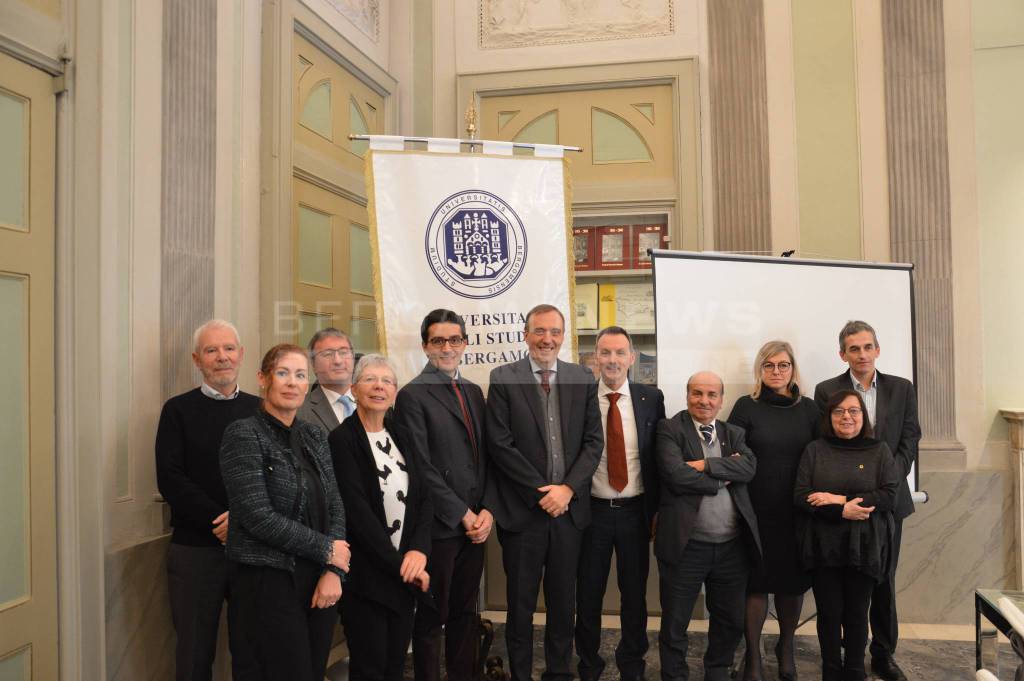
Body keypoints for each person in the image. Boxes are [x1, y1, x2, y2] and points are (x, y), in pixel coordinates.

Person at [486, 303, 604, 681]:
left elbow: (593, 442)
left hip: (568, 516)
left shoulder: (582, 378)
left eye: (555, 331)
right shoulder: (503, 377)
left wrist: (567, 489)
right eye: (539, 331)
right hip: (523, 516)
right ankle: (520, 674)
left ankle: (559, 674)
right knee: (520, 608)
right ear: (525, 334)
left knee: (561, 604)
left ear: (563, 335)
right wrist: (543, 493)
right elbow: (500, 445)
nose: (547, 339)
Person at [219, 343, 351, 681]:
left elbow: (334, 502)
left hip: (319, 580)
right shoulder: (243, 434)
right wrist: (326, 549)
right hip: (266, 581)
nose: (292, 382)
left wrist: (334, 569)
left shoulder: (314, 435)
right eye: (283, 373)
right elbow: (257, 516)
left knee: (310, 671)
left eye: (300, 375)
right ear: (263, 379)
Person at [813, 321, 921, 681]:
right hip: (840, 505)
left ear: (878, 349)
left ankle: (883, 654)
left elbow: (910, 437)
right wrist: (846, 498)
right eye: (853, 349)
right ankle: (849, 653)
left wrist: (887, 473)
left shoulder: (901, 388)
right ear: (842, 354)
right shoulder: (826, 390)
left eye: (867, 347)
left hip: (888, 500)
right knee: (846, 581)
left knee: (883, 580)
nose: (861, 354)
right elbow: (825, 443)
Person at [155, 319, 260, 681]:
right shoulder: (177, 410)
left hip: (254, 549)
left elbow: (275, 479)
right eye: (212, 350)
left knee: (252, 650)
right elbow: (171, 479)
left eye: (229, 349)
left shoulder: (262, 410)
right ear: (197, 360)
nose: (222, 357)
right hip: (195, 550)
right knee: (194, 653)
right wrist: (221, 522)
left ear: (241, 355)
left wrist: (242, 523)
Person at [394, 309, 492, 681]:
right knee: (434, 616)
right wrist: (462, 513)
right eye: (438, 340)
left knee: (466, 612)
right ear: (425, 346)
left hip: (475, 527)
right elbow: (421, 467)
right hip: (440, 526)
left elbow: (484, 458)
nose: (447, 347)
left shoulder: (472, 391)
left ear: (465, 343)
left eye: (454, 339)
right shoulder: (411, 396)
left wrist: (485, 513)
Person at [329, 354, 434, 681]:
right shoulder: (342, 439)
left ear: (395, 390)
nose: (379, 387)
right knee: (370, 667)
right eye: (370, 380)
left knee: (393, 667)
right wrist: (401, 566)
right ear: (354, 389)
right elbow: (356, 512)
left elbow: (424, 496)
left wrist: (418, 550)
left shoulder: (401, 433)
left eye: (387, 381)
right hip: (367, 577)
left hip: (404, 574)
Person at [654, 371, 761, 681]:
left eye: (711, 394)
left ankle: (717, 670)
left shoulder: (734, 433)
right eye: (697, 393)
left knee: (729, 620)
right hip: (686, 546)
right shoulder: (670, 429)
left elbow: (750, 466)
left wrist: (704, 465)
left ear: (721, 399)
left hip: (731, 547)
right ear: (687, 395)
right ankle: (674, 675)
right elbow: (675, 474)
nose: (704, 400)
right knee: (675, 621)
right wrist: (723, 479)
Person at [574, 326, 665, 681]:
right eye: (605, 352)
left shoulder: (650, 398)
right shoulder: (580, 398)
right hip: (591, 513)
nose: (612, 360)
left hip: (635, 513)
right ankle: (588, 665)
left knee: (634, 595)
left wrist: (658, 510)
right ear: (595, 357)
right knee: (589, 594)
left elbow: (657, 455)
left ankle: (632, 665)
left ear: (631, 357)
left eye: (619, 353)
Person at [727, 341, 819, 681]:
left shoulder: (809, 410)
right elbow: (732, 452)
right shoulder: (745, 407)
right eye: (769, 366)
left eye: (783, 365)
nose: (776, 372)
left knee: (791, 584)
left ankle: (786, 647)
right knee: (756, 584)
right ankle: (753, 656)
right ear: (759, 370)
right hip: (754, 511)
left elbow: (819, 457)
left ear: (793, 369)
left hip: (796, 510)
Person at [794, 390, 900, 681]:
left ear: (863, 416)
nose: (846, 417)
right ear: (829, 417)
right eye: (839, 411)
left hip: (864, 546)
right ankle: (830, 669)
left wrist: (837, 499)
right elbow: (802, 496)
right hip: (823, 545)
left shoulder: (879, 450)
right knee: (829, 613)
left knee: (857, 612)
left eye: (854, 411)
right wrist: (842, 511)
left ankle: (854, 670)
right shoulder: (815, 450)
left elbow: (890, 495)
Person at [297, 327, 356, 433]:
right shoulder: (299, 411)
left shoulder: (377, 402)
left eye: (343, 352)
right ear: (313, 364)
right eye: (328, 354)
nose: (338, 361)